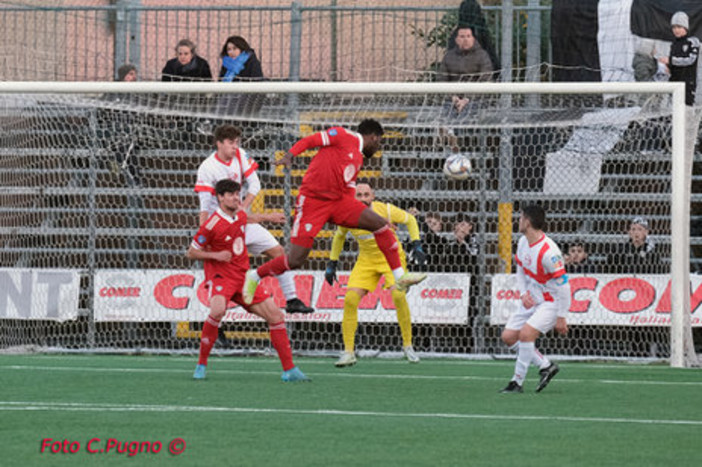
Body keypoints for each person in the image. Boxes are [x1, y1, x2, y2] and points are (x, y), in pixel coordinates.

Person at [242, 119, 427, 304]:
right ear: (374, 137)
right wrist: (291, 154)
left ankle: (400, 277)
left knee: (381, 226)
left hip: (340, 202)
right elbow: (310, 140)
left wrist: (368, 216)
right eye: (379, 143)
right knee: (296, 259)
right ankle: (255, 276)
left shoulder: (359, 157)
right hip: (313, 203)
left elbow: (349, 190)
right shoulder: (342, 135)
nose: (378, 148)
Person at [187, 179, 309, 382]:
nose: (237, 198)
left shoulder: (240, 215)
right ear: (220, 197)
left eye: (238, 194)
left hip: (243, 278)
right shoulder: (211, 225)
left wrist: (269, 217)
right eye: (232, 195)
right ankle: (201, 364)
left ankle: (290, 370)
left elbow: (248, 218)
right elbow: (191, 252)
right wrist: (216, 256)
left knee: (276, 316)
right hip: (221, 277)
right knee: (217, 311)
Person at [194, 124, 314, 315]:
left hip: (243, 223)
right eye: (230, 143)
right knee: (222, 278)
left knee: (279, 252)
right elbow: (204, 206)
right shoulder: (207, 168)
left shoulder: (240, 154)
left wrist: (243, 207)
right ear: (219, 143)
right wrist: (205, 234)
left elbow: (255, 184)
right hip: (222, 230)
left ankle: (291, 299)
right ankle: (216, 326)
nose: (235, 146)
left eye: (237, 142)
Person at [325, 183, 426, 367]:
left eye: (366, 194)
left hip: (391, 258)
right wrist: (332, 262)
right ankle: (348, 352)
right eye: (359, 195)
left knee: (397, 295)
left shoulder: (385, 210)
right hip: (366, 261)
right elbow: (339, 236)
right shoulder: (348, 213)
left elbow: (410, 220)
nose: (362, 198)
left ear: (373, 196)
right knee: (349, 300)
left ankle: (408, 346)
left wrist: (416, 243)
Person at [500, 204, 570, 393]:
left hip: (550, 302)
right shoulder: (523, 242)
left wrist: (561, 316)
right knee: (508, 337)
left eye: (521, 217)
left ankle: (517, 383)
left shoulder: (549, 252)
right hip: (533, 297)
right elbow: (521, 270)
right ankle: (545, 365)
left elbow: (564, 286)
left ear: (528, 222)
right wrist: (523, 294)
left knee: (525, 334)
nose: (518, 220)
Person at [436, 26, 494, 120]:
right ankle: (450, 131)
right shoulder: (449, 56)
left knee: (466, 114)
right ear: (456, 40)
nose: (465, 39)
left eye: (468, 36)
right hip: (453, 99)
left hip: (476, 99)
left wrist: (467, 99)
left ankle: (453, 132)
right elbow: (441, 80)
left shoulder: (482, 56)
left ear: (473, 38)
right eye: (462, 37)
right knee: (448, 111)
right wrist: (453, 98)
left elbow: (486, 81)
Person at [217, 35, 265, 116]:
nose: (231, 52)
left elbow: (256, 82)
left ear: (241, 48)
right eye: (229, 49)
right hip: (228, 99)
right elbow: (220, 82)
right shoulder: (226, 64)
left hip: (247, 100)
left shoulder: (252, 62)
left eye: (235, 48)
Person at [659, 11, 699, 106]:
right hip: (674, 83)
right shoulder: (674, 44)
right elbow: (672, 63)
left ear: (686, 28)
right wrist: (667, 66)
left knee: (687, 112)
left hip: (688, 84)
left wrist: (671, 61)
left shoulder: (692, 41)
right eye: (674, 27)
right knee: (674, 111)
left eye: (679, 27)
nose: (676, 30)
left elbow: (691, 59)